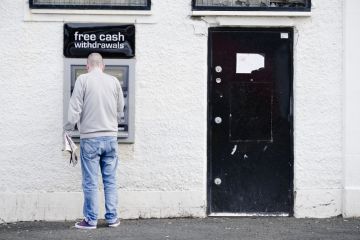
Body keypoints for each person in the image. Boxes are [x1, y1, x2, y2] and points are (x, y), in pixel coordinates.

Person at [64, 52, 124, 230]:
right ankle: (112, 219)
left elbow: (75, 108)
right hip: (111, 138)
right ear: (103, 66)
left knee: (90, 181)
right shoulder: (113, 81)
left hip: (90, 138)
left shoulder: (83, 80)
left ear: (87, 65)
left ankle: (90, 220)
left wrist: (68, 129)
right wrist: (112, 123)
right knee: (110, 180)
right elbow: (121, 109)